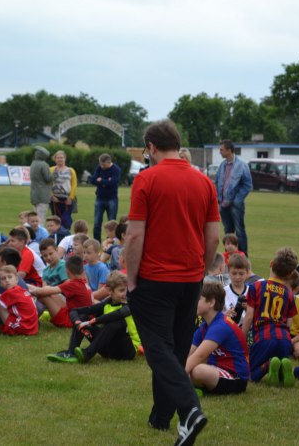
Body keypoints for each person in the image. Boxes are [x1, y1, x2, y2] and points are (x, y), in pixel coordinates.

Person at [123, 120, 219, 443]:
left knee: (158, 350)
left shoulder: (146, 179)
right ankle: (161, 418)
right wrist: (200, 270)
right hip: (190, 279)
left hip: (154, 278)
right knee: (175, 350)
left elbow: (134, 235)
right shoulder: (204, 181)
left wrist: (131, 278)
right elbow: (213, 236)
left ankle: (189, 410)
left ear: (150, 147)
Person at [48, 271, 140, 364]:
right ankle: (71, 353)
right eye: (122, 290)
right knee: (83, 317)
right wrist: (77, 322)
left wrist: (93, 321)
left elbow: (117, 314)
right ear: (110, 291)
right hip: (108, 350)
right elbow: (75, 311)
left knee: (116, 322)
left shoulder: (131, 304)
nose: (126, 294)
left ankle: (87, 354)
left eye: (127, 290)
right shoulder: (106, 304)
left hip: (127, 352)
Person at [240, 247, 298, 385]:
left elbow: (249, 317)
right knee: (280, 359)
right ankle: (282, 369)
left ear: (271, 263)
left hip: (263, 338)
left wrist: (241, 339)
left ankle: (268, 364)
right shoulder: (289, 294)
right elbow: (289, 323)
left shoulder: (256, 287)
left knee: (249, 375)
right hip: (284, 340)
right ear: (290, 273)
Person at [185, 282, 249, 396]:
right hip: (217, 370)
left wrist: (180, 373)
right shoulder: (205, 326)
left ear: (211, 302)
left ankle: (190, 387)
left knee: (198, 371)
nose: (194, 302)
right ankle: (194, 388)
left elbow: (200, 355)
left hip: (235, 377)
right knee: (189, 366)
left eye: (198, 299)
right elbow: (188, 352)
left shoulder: (221, 325)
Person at [28, 255, 93, 328]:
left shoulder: (73, 284)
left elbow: (40, 291)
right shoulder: (83, 281)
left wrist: (25, 286)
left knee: (44, 295)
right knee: (51, 293)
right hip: (81, 316)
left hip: (72, 320)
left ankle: (30, 320)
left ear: (67, 271)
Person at [0, 265, 38, 336]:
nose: (7, 280)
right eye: (3, 278)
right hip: (31, 328)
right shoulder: (20, 290)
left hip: (21, 328)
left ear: (16, 279)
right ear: (0, 283)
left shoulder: (10, 292)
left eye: (10, 277)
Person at [215, 139, 252, 256]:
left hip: (236, 205)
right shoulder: (222, 165)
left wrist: (237, 200)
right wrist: (219, 200)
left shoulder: (242, 165)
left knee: (239, 231)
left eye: (222, 149)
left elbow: (247, 185)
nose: (220, 152)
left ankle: (243, 257)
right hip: (223, 204)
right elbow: (217, 182)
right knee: (228, 232)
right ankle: (228, 257)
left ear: (229, 150)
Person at [89, 153, 121, 241]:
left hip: (112, 199)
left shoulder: (116, 169)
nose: (102, 166)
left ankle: (111, 241)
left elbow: (113, 182)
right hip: (99, 198)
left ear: (109, 162)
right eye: (101, 164)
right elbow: (93, 180)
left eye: (104, 164)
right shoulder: (99, 167)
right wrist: (106, 181)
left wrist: (101, 180)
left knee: (112, 222)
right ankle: (96, 242)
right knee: (97, 222)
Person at [49, 150, 77, 229]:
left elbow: (74, 184)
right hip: (55, 199)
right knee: (56, 220)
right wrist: (51, 196)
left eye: (61, 158)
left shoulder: (71, 170)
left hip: (67, 199)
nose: (60, 159)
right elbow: (47, 184)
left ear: (65, 158)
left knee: (66, 219)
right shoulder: (51, 170)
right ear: (55, 159)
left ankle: (66, 232)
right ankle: (57, 233)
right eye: (58, 158)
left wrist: (70, 197)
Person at [30, 146, 52, 224]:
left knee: (34, 218)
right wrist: (55, 175)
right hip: (43, 195)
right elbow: (48, 178)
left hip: (34, 195)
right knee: (41, 219)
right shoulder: (44, 164)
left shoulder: (33, 164)